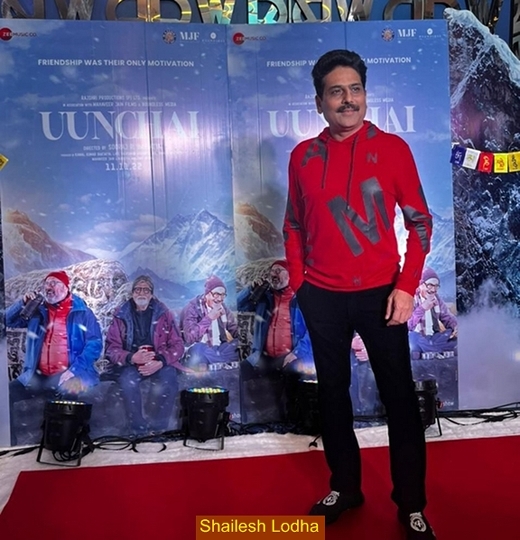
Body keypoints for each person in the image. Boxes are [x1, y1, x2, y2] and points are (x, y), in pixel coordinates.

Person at [283, 50, 435, 539]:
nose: (347, 99)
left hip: (382, 296)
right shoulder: (302, 156)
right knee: (332, 396)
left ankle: (411, 504)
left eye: (355, 89)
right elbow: (292, 224)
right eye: (336, 91)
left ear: (365, 95)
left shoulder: (393, 149)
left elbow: (420, 224)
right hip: (321, 298)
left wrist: (407, 287)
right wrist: (301, 283)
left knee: (400, 401)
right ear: (319, 102)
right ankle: (345, 488)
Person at [7, 270, 102, 444]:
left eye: (54, 283)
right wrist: (22, 303)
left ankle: (62, 444)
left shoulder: (82, 312)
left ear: (66, 287)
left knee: (68, 393)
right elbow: (6, 321)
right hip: (37, 375)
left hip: (71, 373)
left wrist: (74, 370)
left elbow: (94, 344)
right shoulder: (37, 310)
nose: (49, 287)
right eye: (46, 283)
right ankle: (10, 445)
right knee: (6, 394)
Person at [105, 275, 186, 436]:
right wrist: (131, 357)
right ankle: (138, 429)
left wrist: (160, 361)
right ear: (132, 293)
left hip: (159, 361)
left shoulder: (164, 314)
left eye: (146, 290)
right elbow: (111, 348)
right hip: (131, 364)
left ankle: (159, 428)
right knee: (127, 382)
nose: (141, 293)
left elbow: (178, 346)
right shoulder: (121, 314)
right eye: (138, 289)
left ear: (151, 294)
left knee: (169, 379)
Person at [237, 260, 314, 422]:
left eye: (279, 271)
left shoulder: (302, 298)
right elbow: (239, 305)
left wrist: (298, 352)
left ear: (290, 275)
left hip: (292, 355)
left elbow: (313, 330)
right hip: (263, 356)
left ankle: (292, 421)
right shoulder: (265, 298)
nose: (274, 274)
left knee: (293, 373)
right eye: (272, 271)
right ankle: (242, 419)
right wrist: (250, 289)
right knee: (240, 371)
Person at [180, 275, 239, 370]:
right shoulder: (192, 308)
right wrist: (209, 318)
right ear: (207, 293)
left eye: (223, 295)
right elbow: (189, 337)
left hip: (219, 349)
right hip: (199, 350)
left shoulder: (223, 307)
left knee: (238, 345)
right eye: (216, 294)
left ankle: (216, 363)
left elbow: (234, 329)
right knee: (198, 350)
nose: (219, 299)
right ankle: (223, 363)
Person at [408, 267, 457, 359]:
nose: (433, 289)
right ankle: (439, 352)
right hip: (419, 338)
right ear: (421, 284)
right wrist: (422, 308)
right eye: (430, 285)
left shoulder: (437, 299)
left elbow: (447, 317)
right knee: (412, 338)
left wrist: (456, 327)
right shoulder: (411, 298)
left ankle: (430, 351)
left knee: (454, 337)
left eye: (436, 286)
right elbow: (408, 326)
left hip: (435, 337)